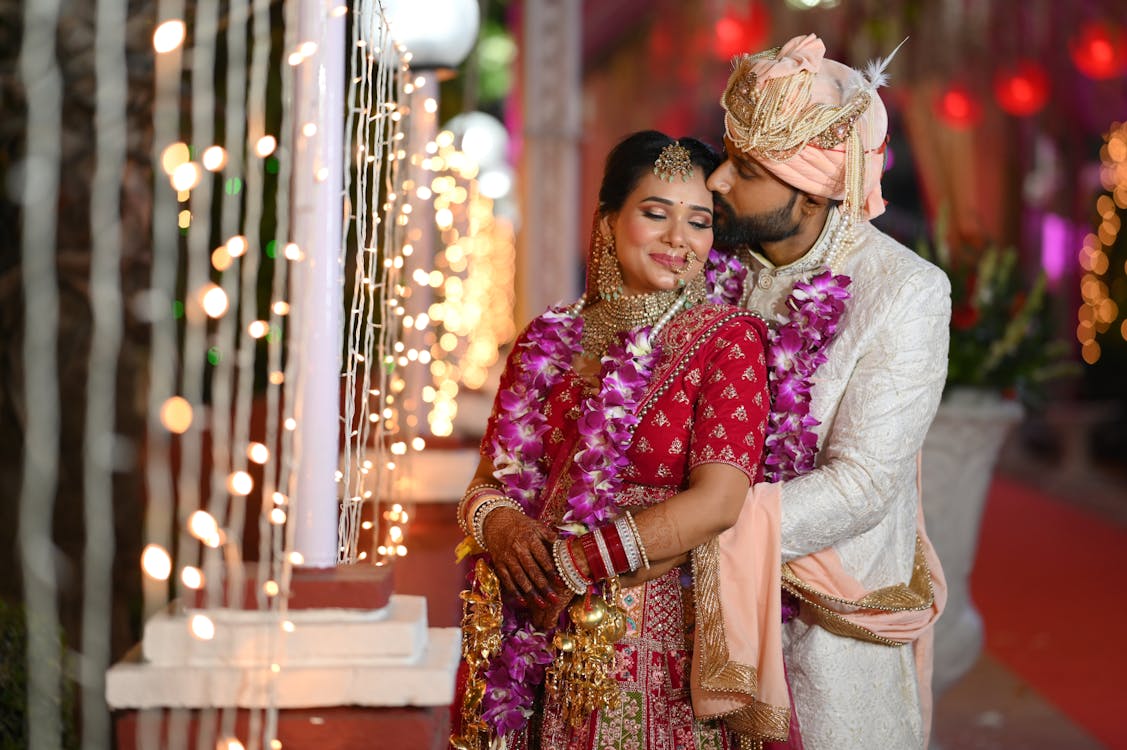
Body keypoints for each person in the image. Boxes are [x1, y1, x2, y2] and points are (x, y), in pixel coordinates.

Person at [450, 130, 772, 750]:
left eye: (699, 222)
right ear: (607, 222)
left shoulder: (728, 340)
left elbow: (719, 503)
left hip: (650, 648)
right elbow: (488, 485)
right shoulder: (549, 336)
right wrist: (502, 527)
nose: (679, 239)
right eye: (656, 214)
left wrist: (572, 567)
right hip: (525, 635)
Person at [703, 34, 950, 749]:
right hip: (694, 615)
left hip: (831, 630)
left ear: (812, 190)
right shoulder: (710, 268)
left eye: (745, 168)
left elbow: (863, 484)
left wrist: (694, 526)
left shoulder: (904, 291)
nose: (717, 182)